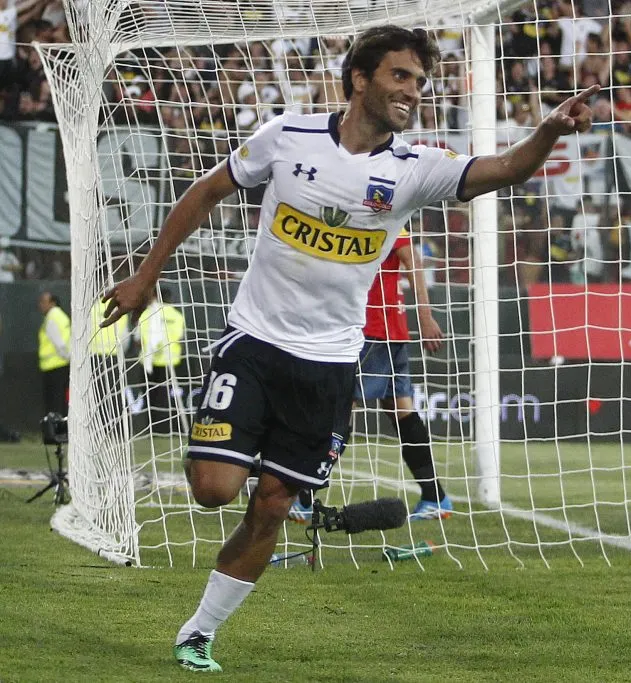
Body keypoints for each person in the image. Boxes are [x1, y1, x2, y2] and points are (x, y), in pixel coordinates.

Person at [99, 25, 598, 673]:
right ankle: (255, 458)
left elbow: (504, 168)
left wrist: (547, 132)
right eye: (399, 76)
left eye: (419, 81)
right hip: (254, 341)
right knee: (212, 489)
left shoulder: (413, 168)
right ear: (360, 79)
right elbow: (206, 191)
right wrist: (146, 274)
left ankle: (198, 631)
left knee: (273, 503)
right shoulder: (287, 136)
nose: (413, 92)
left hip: (331, 364)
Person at [289, 229, 450, 523]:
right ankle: (435, 496)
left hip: (373, 330)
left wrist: (425, 317)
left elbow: (411, 258)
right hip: (389, 331)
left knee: (339, 411)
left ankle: (303, 497)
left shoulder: (382, 213)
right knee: (401, 412)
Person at [136, 288, 185, 436]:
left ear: (156, 297)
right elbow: (181, 337)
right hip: (170, 361)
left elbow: (138, 339)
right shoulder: (177, 316)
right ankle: (164, 429)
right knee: (165, 398)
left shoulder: (146, 314)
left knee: (149, 396)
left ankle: (150, 429)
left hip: (148, 361)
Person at [38, 291, 70, 417]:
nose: (40, 305)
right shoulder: (61, 316)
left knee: (54, 404)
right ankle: (61, 431)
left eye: (43, 302)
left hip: (54, 367)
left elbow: (59, 343)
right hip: (60, 365)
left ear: (52, 303)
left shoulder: (52, 318)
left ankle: (55, 432)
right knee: (61, 402)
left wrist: (67, 357)